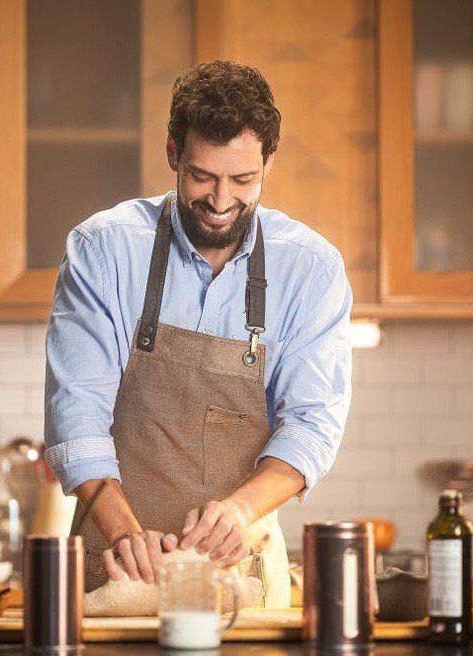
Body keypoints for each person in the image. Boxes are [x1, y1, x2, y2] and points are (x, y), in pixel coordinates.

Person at [43, 60, 352, 607]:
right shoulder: (104, 249)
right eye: (202, 176)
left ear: (268, 165)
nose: (220, 201)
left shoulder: (311, 268)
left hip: (243, 578)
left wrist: (238, 511)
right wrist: (124, 534)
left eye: (243, 180)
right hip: (114, 567)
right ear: (172, 155)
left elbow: (312, 426)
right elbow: (77, 415)